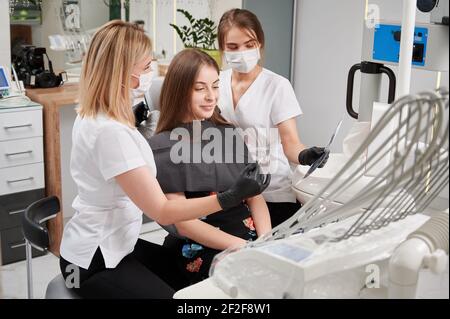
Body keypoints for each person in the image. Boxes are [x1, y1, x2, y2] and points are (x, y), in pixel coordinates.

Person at [58, 20, 269, 299]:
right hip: (91, 260)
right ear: (121, 73)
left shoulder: (100, 117)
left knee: (189, 287)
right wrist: (227, 198)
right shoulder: (110, 132)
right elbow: (163, 211)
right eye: (146, 67)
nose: (151, 74)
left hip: (118, 245)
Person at [148, 49, 272, 286]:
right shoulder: (162, 148)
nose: (211, 96)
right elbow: (184, 222)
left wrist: (266, 240)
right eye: (200, 88)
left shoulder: (228, 133)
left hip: (252, 239)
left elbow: (255, 196)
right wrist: (244, 248)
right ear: (179, 90)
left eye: (215, 86)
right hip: (202, 247)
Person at [217, 9, 329, 227]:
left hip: (272, 191)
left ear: (260, 44)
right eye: (233, 47)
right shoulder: (216, 83)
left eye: (249, 44)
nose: (242, 52)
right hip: (230, 190)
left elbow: (290, 143)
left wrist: (306, 155)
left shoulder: (277, 86)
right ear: (222, 48)